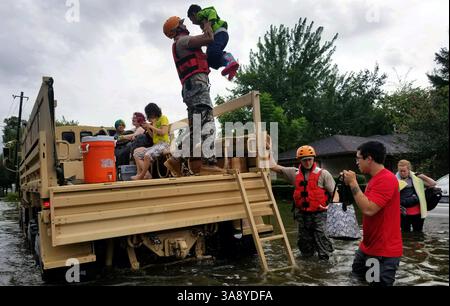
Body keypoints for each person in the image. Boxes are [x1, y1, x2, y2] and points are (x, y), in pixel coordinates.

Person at [163, 16, 224, 177]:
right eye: (181, 24)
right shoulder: (183, 41)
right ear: (176, 29)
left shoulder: (180, 44)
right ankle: (209, 164)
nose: (185, 25)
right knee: (207, 125)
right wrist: (207, 23)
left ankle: (176, 160)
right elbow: (209, 38)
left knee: (196, 129)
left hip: (191, 89)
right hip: (197, 88)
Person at [342, 141, 403, 286]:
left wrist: (353, 183)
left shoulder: (386, 179)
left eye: (358, 158)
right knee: (357, 279)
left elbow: (369, 209)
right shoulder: (375, 179)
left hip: (381, 253)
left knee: (374, 283)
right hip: (367, 248)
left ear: (369, 159)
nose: (357, 162)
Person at [268, 145, 337, 260]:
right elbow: (273, 166)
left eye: (310, 159)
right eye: (304, 160)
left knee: (322, 238)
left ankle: (327, 261)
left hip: (320, 214)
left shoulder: (324, 174)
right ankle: (308, 263)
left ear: (314, 158)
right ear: (300, 160)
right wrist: (268, 149)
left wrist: (331, 206)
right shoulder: (293, 173)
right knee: (304, 244)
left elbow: (335, 192)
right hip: (302, 214)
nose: (308, 162)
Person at [187, 4, 239, 81]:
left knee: (214, 51)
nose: (192, 23)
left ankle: (229, 59)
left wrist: (209, 24)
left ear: (194, 14)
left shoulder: (200, 14)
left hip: (219, 33)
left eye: (191, 20)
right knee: (210, 59)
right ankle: (230, 67)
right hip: (218, 36)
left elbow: (212, 11)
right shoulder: (203, 22)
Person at [396, 159, 436, 233]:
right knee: (405, 234)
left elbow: (433, 183)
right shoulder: (394, 180)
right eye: (400, 171)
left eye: (404, 171)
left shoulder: (417, 179)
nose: (402, 173)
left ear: (409, 170)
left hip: (417, 212)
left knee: (418, 233)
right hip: (403, 213)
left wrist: (423, 176)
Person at [132, 103, 170, 180]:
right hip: (156, 145)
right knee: (136, 153)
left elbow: (163, 132)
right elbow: (153, 137)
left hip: (164, 144)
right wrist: (148, 128)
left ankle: (142, 175)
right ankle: (144, 174)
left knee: (147, 155)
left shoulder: (163, 118)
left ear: (153, 112)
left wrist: (150, 126)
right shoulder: (154, 122)